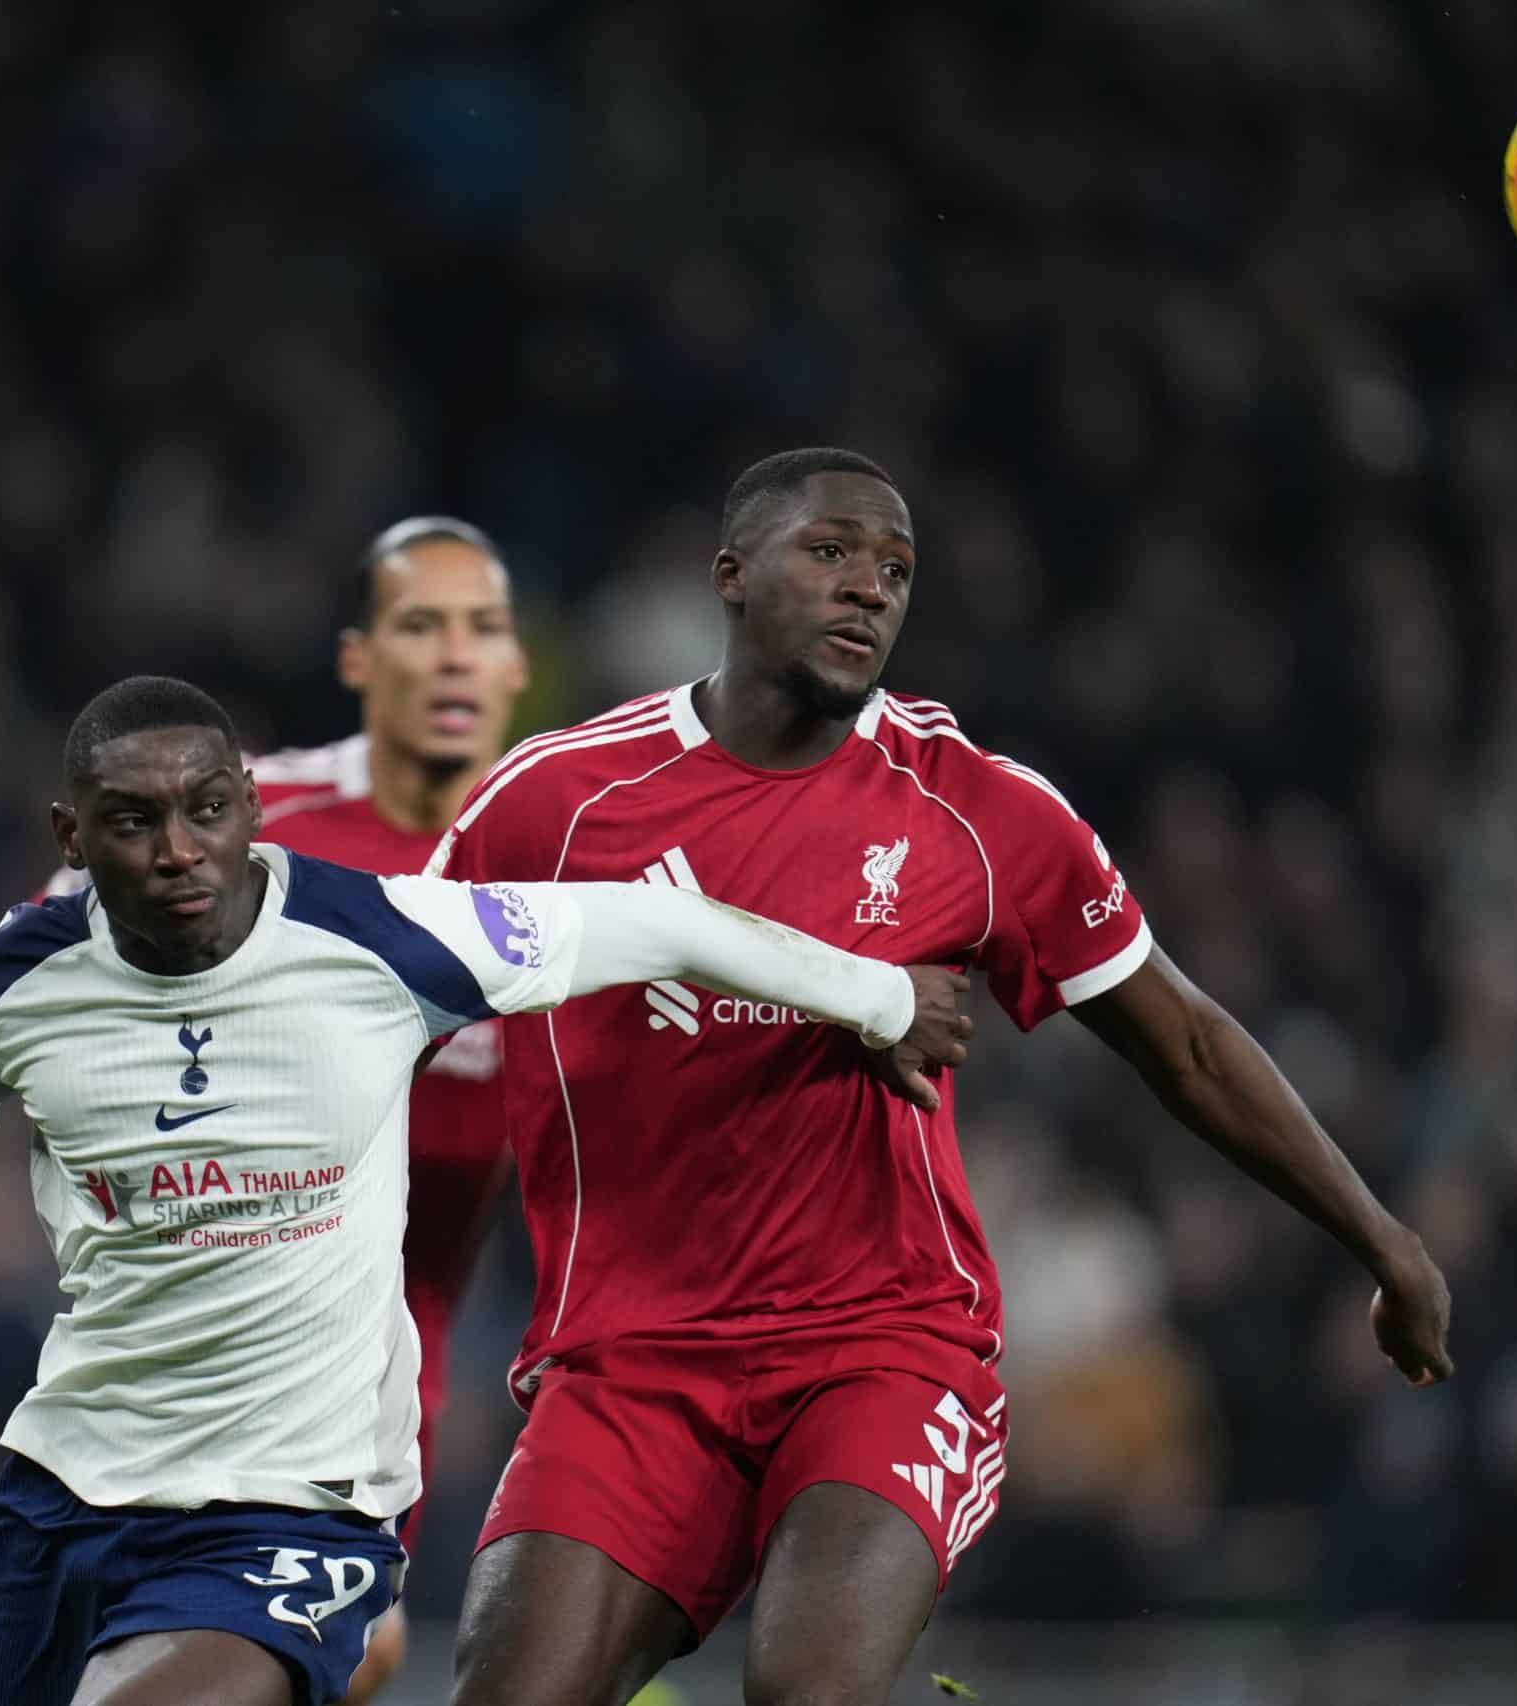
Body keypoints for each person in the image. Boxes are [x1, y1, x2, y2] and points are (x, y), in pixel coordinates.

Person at [428, 447, 1456, 1706]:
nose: (869, 588)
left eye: (896, 570)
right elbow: (385, 1011)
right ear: (730, 574)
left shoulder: (974, 808)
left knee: (806, 1688)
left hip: (880, 1347)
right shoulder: (554, 804)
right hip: (628, 1362)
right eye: (831, 552)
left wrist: (1383, 1240)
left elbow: (1184, 1039)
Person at [0, 673, 973, 1706]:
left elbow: (661, 924)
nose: (179, 850)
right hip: (73, 1483)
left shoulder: (386, 939)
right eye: (133, 822)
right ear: (71, 837)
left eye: (207, 810)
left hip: (294, 1503)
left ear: (251, 805)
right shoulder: (10, 980)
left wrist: (877, 995)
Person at [63, 517, 529, 1703]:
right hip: (206, 1323)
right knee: (312, 1640)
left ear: (517, 663)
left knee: (349, 1649)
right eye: (420, 625)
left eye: (482, 627)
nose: (454, 654)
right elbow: (45, 965)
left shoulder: (557, 850)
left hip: (389, 1365)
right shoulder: (256, 814)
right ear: (359, 657)